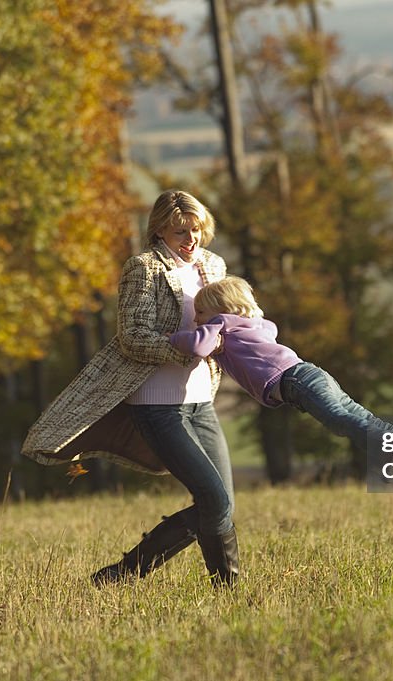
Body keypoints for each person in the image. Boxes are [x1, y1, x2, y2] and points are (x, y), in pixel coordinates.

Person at [21, 189, 239, 587]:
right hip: (157, 405)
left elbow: (231, 322)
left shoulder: (213, 265)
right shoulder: (143, 268)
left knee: (222, 503)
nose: (190, 241)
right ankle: (123, 574)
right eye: (179, 233)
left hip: (201, 401)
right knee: (214, 500)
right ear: (159, 231)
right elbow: (132, 337)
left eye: (196, 230)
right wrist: (186, 352)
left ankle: (228, 591)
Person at [169, 276, 393, 502]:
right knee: (365, 420)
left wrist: (172, 338)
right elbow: (265, 332)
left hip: (296, 381)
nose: (196, 320)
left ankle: (390, 448)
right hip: (311, 375)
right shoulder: (254, 324)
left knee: (343, 421)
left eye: (201, 313)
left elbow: (197, 345)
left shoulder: (223, 323)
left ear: (222, 309)